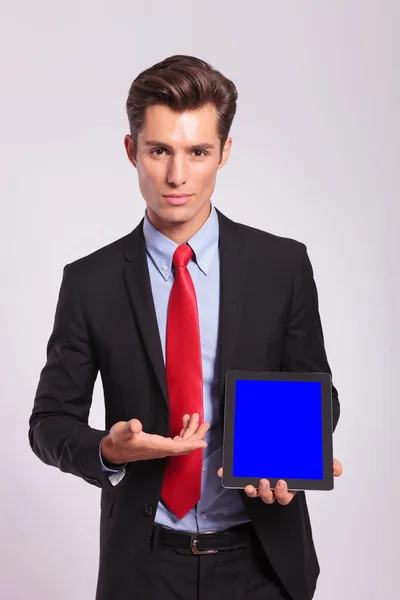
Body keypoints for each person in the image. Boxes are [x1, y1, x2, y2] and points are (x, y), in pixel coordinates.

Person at [29, 55, 342, 600]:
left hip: (263, 561)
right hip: (144, 564)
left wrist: (293, 456)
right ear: (132, 152)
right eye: (159, 151)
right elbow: (50, 423)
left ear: (223, 153)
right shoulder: (89, 281)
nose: (177, 176)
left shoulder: (282, 265)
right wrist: (109, 450)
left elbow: (319, 394)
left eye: (197, 152)